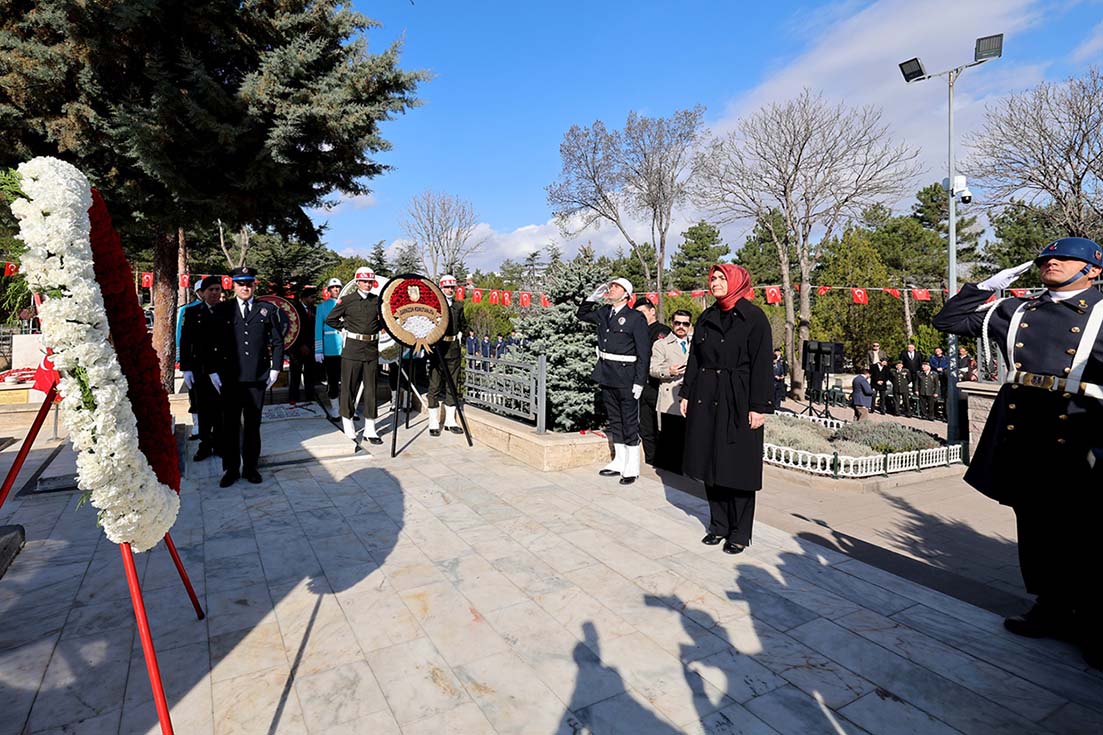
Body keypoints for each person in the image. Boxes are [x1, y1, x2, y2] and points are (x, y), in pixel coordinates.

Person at [933, 237, 1103, 669]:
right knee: (1035, 526)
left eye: (1065, 258)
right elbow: (949, 319)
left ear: (1094, 270)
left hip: (1081, 432)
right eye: (1047, 258)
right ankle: (1050, 607)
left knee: (1085, 534)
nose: (1052, 262)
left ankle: (1092, 624)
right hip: (1025, 431)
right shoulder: (1018, 310)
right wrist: (985, 286)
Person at [679, 264, 774, 555]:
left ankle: (739, 533)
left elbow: (761, 366)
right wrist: (686, 393)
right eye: (713, 278)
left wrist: (759, 406)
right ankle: (718, 525)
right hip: (706, 397)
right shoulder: (706, 317)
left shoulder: (754, 318)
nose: (715, 282)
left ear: (735, 282)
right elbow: (695, 359)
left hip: (739, 398)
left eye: (721, 278)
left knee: (738, 468)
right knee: (710, 464)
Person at [207, 266, 284, 487]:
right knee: (230, 426)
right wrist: (212, 371)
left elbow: (278, 342)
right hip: (230, 378)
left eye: (249, 283)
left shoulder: (266, 309)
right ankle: (231, 469)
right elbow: (210, 343)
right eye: (241, 284)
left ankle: (250, 468)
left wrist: (275, 369)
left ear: (254, 284)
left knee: (252, 426)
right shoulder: (222, 310)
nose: (245, 287)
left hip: (257, 378)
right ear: (233, 286)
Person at [577, 276, 651, 484]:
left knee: (629, 422)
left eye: (616, 287)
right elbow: (581, 315)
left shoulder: (635, 317)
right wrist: (592, 297)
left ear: (626, 294)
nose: (611, 289)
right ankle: (619, 460)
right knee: (615, 420)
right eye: (611, 286)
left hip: (627, 377)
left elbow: (644, 353)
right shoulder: (604, 313)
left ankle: (632, 466)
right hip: (607, 374)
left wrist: (639, 381)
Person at [325, 266, 384, 445]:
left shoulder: (377, 301)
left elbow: (384, 320)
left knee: (371, 388)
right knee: (349, 387)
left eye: (370, 281)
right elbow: (331, 319)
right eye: (364, 281)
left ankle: (370, 429)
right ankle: (348, 425)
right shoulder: (347, 300)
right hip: (352, 349)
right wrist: (345, 328)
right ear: (357, 282)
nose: (367, 284)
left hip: (372, 348)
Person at [179, 276, 223, 461]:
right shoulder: (192, 312)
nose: (214, 293)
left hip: (222, 370)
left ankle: (220, 443)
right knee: (204, 410)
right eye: (210, 289)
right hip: (201, 370)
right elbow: (186, 340)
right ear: (202, 293)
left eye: (217, 289)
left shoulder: (227, 311)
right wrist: (186, 368)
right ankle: (204, 445)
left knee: (221, 410)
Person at [650, 309, 692, 472]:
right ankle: (671, 471)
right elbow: (653, 368)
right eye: (677, 323)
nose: (681, 326)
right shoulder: (661, 344)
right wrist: (669, 371)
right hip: (670, 396)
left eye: (685, 323)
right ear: (672, 323)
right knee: (671, 437)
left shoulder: (696, 344)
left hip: (691, 397)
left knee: (689, 436)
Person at [427, 275, 467, 437]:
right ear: (441, 288)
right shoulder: (435, 306)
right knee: (435, 385)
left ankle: (450, 420)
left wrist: (462, 338)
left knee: (453, 384)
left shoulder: (458, 306)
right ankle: (433, 421)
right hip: (438, 347)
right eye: (447, 287)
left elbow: (463, 325)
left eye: (452, 287)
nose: (450, 290)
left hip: (453, 348)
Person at [634, 297, 671, 465]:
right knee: (646, 426)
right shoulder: (636, 331)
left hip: (659, 385)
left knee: (662, 425)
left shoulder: (662, 331)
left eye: (643, 312)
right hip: (641, 384)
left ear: (652, 311)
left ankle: (666, 460)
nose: (640, 316)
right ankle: (652, 459)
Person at [177, 281, 204, 439]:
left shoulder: (220, 308)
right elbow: (181, 337)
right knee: (195, 396)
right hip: (194, 362)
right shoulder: (187, 310)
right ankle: (197, 426)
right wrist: (182, 362)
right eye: (202, 290)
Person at [314, 277, 344, 415]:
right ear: (329, 290)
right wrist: (319, 350)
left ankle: (349, 407)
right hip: (330, 347)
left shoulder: (346, 304)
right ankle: (335, 408)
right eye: (333, 287)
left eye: (338, 287)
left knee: (348, 380)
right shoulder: (322, 307)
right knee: (332, 379)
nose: (336, 289)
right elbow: (318, 330)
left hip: (345, 346)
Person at [287, 284, 317, 407]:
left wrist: (312, 344)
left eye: (314, 297)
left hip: (311, 347)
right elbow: (292, 329)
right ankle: (293, 398)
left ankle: (310, 397)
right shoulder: (295, 309)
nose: (313, 300)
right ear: (304, 298)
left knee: (310, 374)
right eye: (311, 297)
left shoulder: (315, 310)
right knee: (295, 374)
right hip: (297, 348)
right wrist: (301, 345)